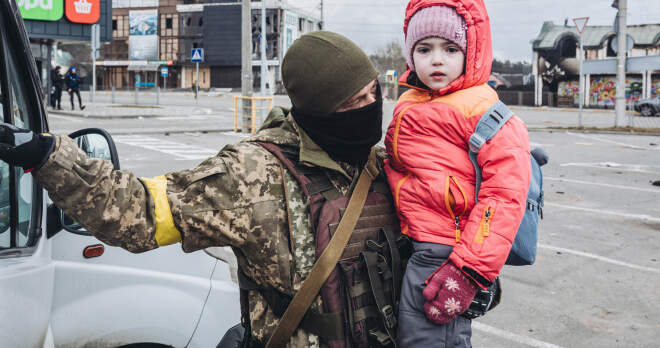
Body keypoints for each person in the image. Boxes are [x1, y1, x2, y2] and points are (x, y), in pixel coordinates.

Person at [0, 31, 390, 348]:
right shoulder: (253, 175)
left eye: (375, 93)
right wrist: (50, 157)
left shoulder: (384, 164)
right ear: (319, 108)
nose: (373, 107)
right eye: (356, 101)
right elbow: (140, 212)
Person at [384, 0, 531, 347]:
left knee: (428, 341)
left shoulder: (485, 113)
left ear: (473, 50)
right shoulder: (414, 101)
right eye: (424, 48)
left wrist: (469, 270)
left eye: (451, 48)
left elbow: (503, 199)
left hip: (445, 252)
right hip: (411, 239)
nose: (436, 59)